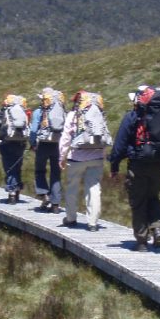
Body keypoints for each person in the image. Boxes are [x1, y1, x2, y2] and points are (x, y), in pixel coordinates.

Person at [109, 85, 160, 251]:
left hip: (138, 164)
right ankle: (157, 228)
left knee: (138, 201)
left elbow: (120, 144)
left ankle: (141, 241)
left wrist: (114, 166)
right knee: (153, 196)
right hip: (159, 164)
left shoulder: (132, 116)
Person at [58, 90, 111, 232]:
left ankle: (70, 218)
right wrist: (103, 154)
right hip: (97, 158)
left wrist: (62, 157)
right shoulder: (100, 115)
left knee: (72, 188)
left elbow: (65, 138)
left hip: (76, 158)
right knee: (94, 189)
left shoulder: (73, 115)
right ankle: (93, 223)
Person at [0, 94, 30, 204]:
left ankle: (12, 193)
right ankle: (17, 189)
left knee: (9, 168)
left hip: (6, 143)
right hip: (21, 143)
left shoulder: (3, 112)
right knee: (17, 166)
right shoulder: (24, 113)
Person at [30, 87, 65, 213]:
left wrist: (33, 143)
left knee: (40, 170)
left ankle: (44, 195)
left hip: (43, 144)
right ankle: (55, 204)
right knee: (56, 173)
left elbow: (33, 130)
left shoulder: (38, 112)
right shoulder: (61, 110)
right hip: (57, 144)